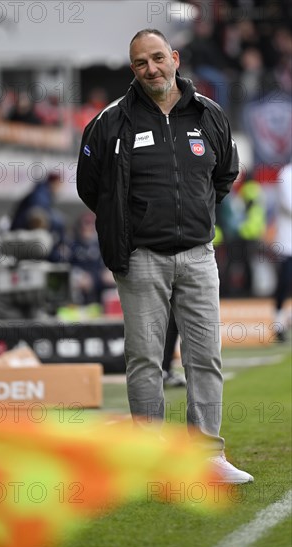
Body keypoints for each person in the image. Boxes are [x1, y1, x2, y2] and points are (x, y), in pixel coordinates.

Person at [77, 29, 253, 484]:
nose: (151, 69)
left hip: (198, 255)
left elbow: (224, 174)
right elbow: (90, 186)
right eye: (141, 63)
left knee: (204, 357)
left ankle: (207, 457)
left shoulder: (209, 114)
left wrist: (192, 218)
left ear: (174, 58)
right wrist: (132, 227)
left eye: (158, 58)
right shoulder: (111, 120)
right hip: (140, 259)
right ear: (132, 68)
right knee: (144, 360)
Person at [273, 161, 292, 342]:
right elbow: (288, 204)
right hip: (288, 242)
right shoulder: (286, 174)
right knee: (284, 283)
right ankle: (278, 323)